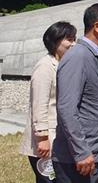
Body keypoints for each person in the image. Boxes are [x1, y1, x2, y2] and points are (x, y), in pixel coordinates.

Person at [52, 3, 98, 183]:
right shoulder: (77, 57)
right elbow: (67, 109)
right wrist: (81, 151)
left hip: (92, 154)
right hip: (76, 159)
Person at [20, 21, 77, 183]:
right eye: (69, 40)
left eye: (74, 39)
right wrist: (42, 138)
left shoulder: (62, 64)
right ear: (55, 41)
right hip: (45, 141)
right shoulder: (45, 66)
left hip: (58, 139)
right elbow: (39, 104)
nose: (73, 44)